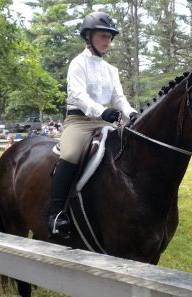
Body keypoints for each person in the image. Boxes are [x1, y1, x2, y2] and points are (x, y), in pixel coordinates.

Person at [48, 11, 139, 238]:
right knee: (70, 153)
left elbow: (119, 98)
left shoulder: (112, 70)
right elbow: (79, 96)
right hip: (79, 121)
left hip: (106, 120)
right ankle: (56, 213)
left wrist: (132, 114)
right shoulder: (77, 64)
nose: (107, 41)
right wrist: (102, 111)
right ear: (88, 36)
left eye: (109, 37)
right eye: (103, 36)